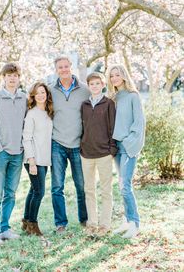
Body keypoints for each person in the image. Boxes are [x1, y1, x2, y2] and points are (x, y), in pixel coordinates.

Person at [0, 63, 27, 245]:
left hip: (18, 154)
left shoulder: (24, 98)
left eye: (15, 75)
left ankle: (5, 228)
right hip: (0, 154)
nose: (12, 78)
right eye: (9, 75)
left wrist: (24, 148)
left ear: (19, 78)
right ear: (4, 78)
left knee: (10, 193)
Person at [50, 56, 90, 233]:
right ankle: (61, 223)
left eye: (66, 66)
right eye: (60, 67)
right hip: (57, 143)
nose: (64, 69)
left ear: (71, 67)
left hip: (78, 144)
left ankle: (85, 219)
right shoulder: (50, 91)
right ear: (56, 69)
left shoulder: (85, 90)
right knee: (57, 187)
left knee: (81, 186)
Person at [107, 64, 145, 239]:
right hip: (116, 147)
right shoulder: (113, 98)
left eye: (117, 75)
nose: (114, 78)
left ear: (123, 76)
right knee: (121, 185)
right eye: (112, 75)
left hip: (128, 147)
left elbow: (139, 123)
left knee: (125, 186)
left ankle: (134, 224)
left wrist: (130, 143)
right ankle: (126, 221)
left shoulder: (133, 96)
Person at [80, 72, 117, 236]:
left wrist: (112, 149)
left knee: (106, 190)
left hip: (104, 154)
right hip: (86, 154)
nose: (94, 86)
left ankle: (105, 224)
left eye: (97, 83)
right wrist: (82, 145)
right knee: (89, 190)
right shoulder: (84, 105)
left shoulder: (108, 103)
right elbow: (83, 128)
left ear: (103, 85)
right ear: (88, 86)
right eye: (91, 84)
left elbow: (113, 127)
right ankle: (92, 223)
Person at [21, 82, 53, 237]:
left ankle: (26, 221)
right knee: (39, 192)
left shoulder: (48, 112)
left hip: (44, 158)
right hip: (34, 159)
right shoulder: (31, 114)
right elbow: (26, 139)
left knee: (33, 190)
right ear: (33, 96)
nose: (41, 95)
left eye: (43, 92)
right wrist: (31, 161)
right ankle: (33, 224)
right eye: (37, 93)